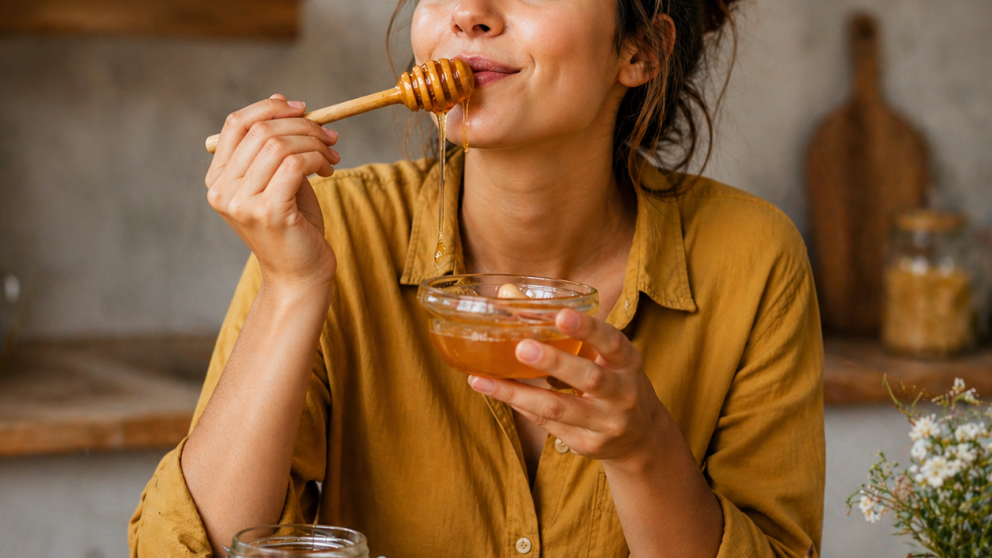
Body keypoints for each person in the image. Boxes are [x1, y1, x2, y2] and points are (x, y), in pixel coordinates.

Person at [129, 0, 825, 556]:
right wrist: (292, 288)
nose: (469, 12)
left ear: (640, 51)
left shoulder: (753, 258)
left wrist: (644, 449)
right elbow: (187, 551)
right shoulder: (325, 231)